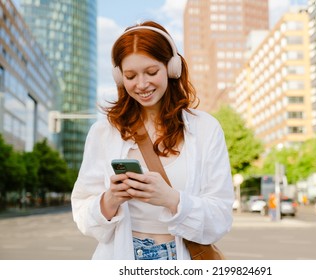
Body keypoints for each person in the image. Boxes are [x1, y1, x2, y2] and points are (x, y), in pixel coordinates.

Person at [71, 21, 234, 260]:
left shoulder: (205, 128)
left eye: (151, 72)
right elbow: (83, 214)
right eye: (130, 76)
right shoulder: (103, 132)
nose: (142, 84)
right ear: (119, 77)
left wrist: (170, 198)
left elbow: (220, 217)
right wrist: (111, 199)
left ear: (172, 67)